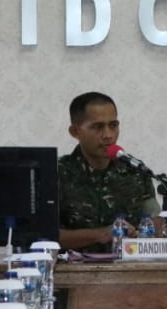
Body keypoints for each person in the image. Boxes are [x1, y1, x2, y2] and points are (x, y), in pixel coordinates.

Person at [57, 91, 160, 252]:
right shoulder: (57, 173)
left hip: (129, 265)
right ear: (75, 132)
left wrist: (146, 231)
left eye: (113, 125)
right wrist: (99, 234)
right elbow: (45, 236)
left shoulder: (135, 171)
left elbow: (155, 221)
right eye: (98, 127)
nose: (108, 135)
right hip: (73, 266)